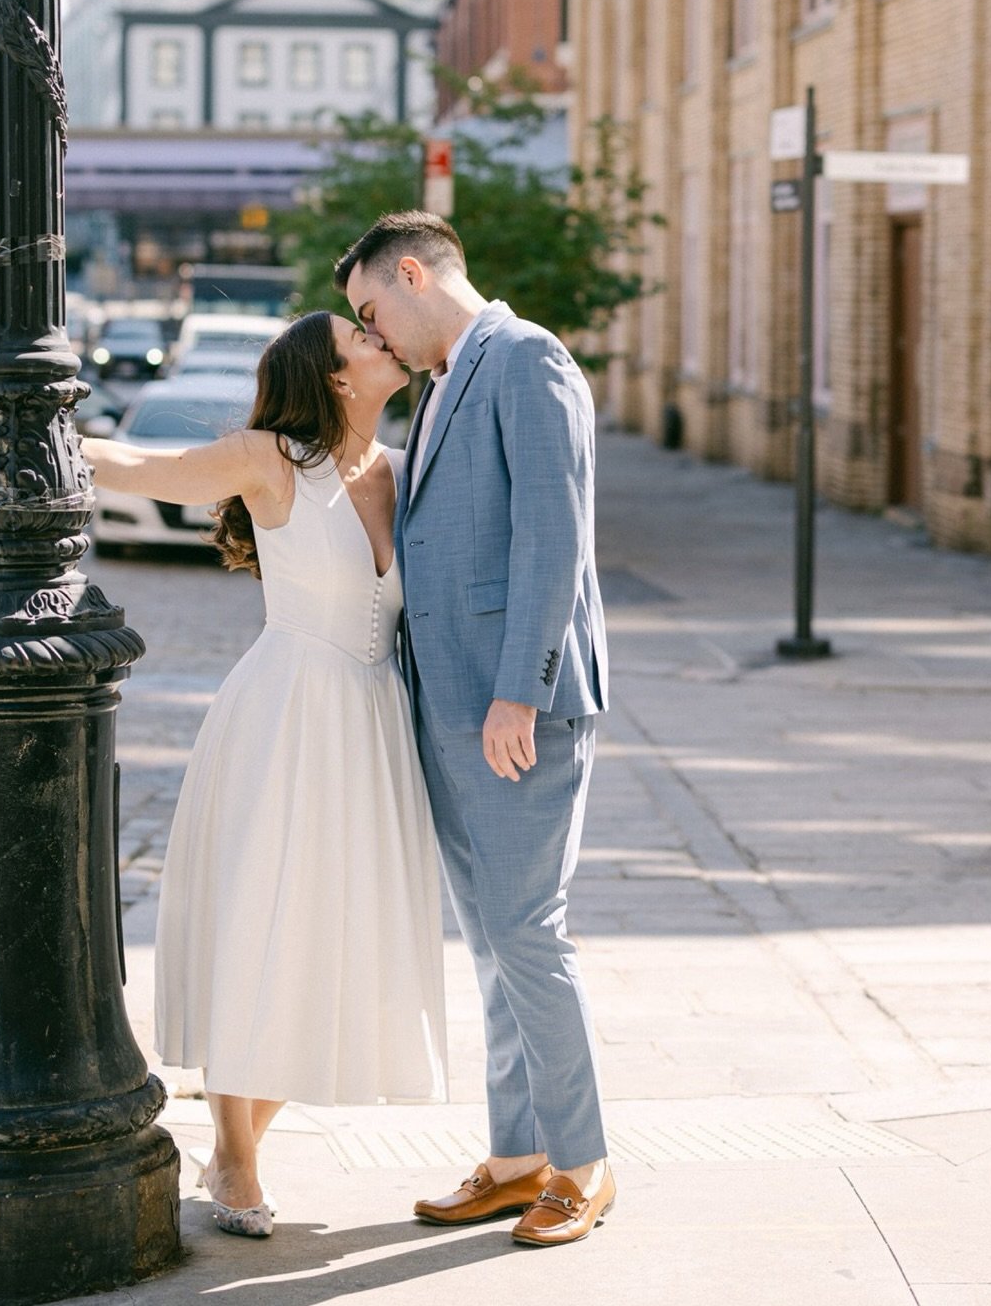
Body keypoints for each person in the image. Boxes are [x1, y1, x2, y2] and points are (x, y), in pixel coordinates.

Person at [80, 310, 446, 1239]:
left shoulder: (403, 469)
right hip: (283, 712)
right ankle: (236, 1156)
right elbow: (149, 472)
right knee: (261, 925)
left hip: (371, 722)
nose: (384, 342)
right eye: (363, 340)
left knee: (342, 942)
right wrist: (36, 428)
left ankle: (234, 1142)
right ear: (331, 376)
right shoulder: (270, 457)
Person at [337, 211, 615, 1249]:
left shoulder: (527, 357)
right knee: (495, 945)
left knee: (529, 935)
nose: (377, 334)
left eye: (374, 310)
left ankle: (583, 1164)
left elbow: (556, 536)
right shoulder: (453, 376)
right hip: (447, 705)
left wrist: (521, 692)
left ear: (413, 272)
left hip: (514, 710)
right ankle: (517, 1158)